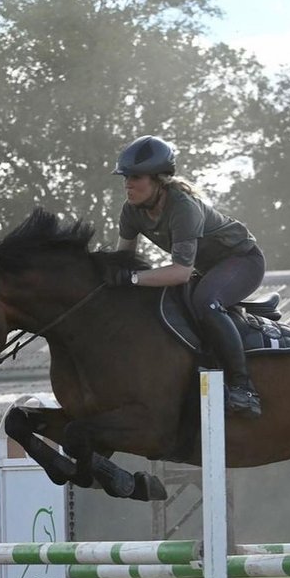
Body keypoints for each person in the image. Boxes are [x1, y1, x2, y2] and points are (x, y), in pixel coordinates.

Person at [107, 135, 265, 418]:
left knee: (206, 302)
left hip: (243, 261)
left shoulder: (183, 207)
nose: (127, 184)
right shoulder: (131, 211)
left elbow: (179, 272)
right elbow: (123, 259)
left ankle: (244, 388)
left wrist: (132, 279)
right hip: (206, 270)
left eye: (135, 177)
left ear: (159, 180)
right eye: (126, 177)